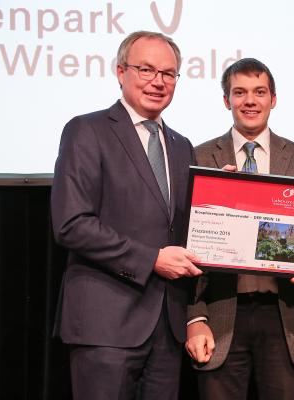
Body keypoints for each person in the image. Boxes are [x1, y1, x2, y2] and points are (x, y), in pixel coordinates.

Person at [51, 31, 201, 400]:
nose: (158, 81)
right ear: (121, 72)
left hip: (168, 328)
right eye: (146, 69)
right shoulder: (87, 130)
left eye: (169, 73)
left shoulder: (183, 146)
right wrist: (152, 260)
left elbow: (187, 231)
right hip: (106, 326)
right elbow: (72, 225)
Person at [185, 58, 294, 400]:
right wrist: (194, 317)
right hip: (220, 313)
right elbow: (181, 243)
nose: (250, 101)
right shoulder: (198, 157)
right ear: (226, 100)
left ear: (273, 99)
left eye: (260, 92)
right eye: (240, 92)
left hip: (285, 315)